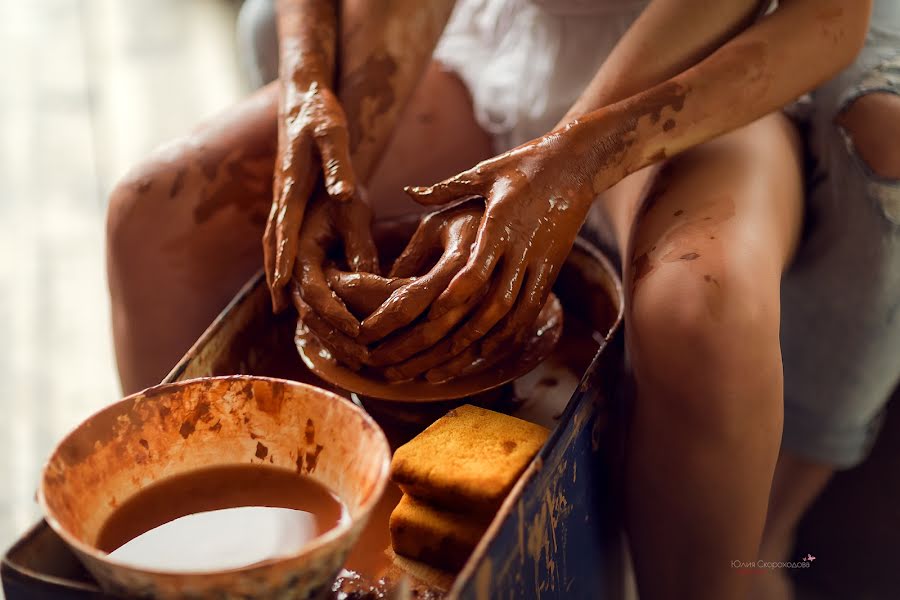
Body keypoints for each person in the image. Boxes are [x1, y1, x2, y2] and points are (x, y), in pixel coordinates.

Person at [105, 1, 900, 598]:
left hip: (699, 72)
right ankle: (235, 564)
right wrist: (316, 87)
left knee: (701, 309)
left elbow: (828, 15)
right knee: (159, 215)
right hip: (498, 34)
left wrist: (580, 159)